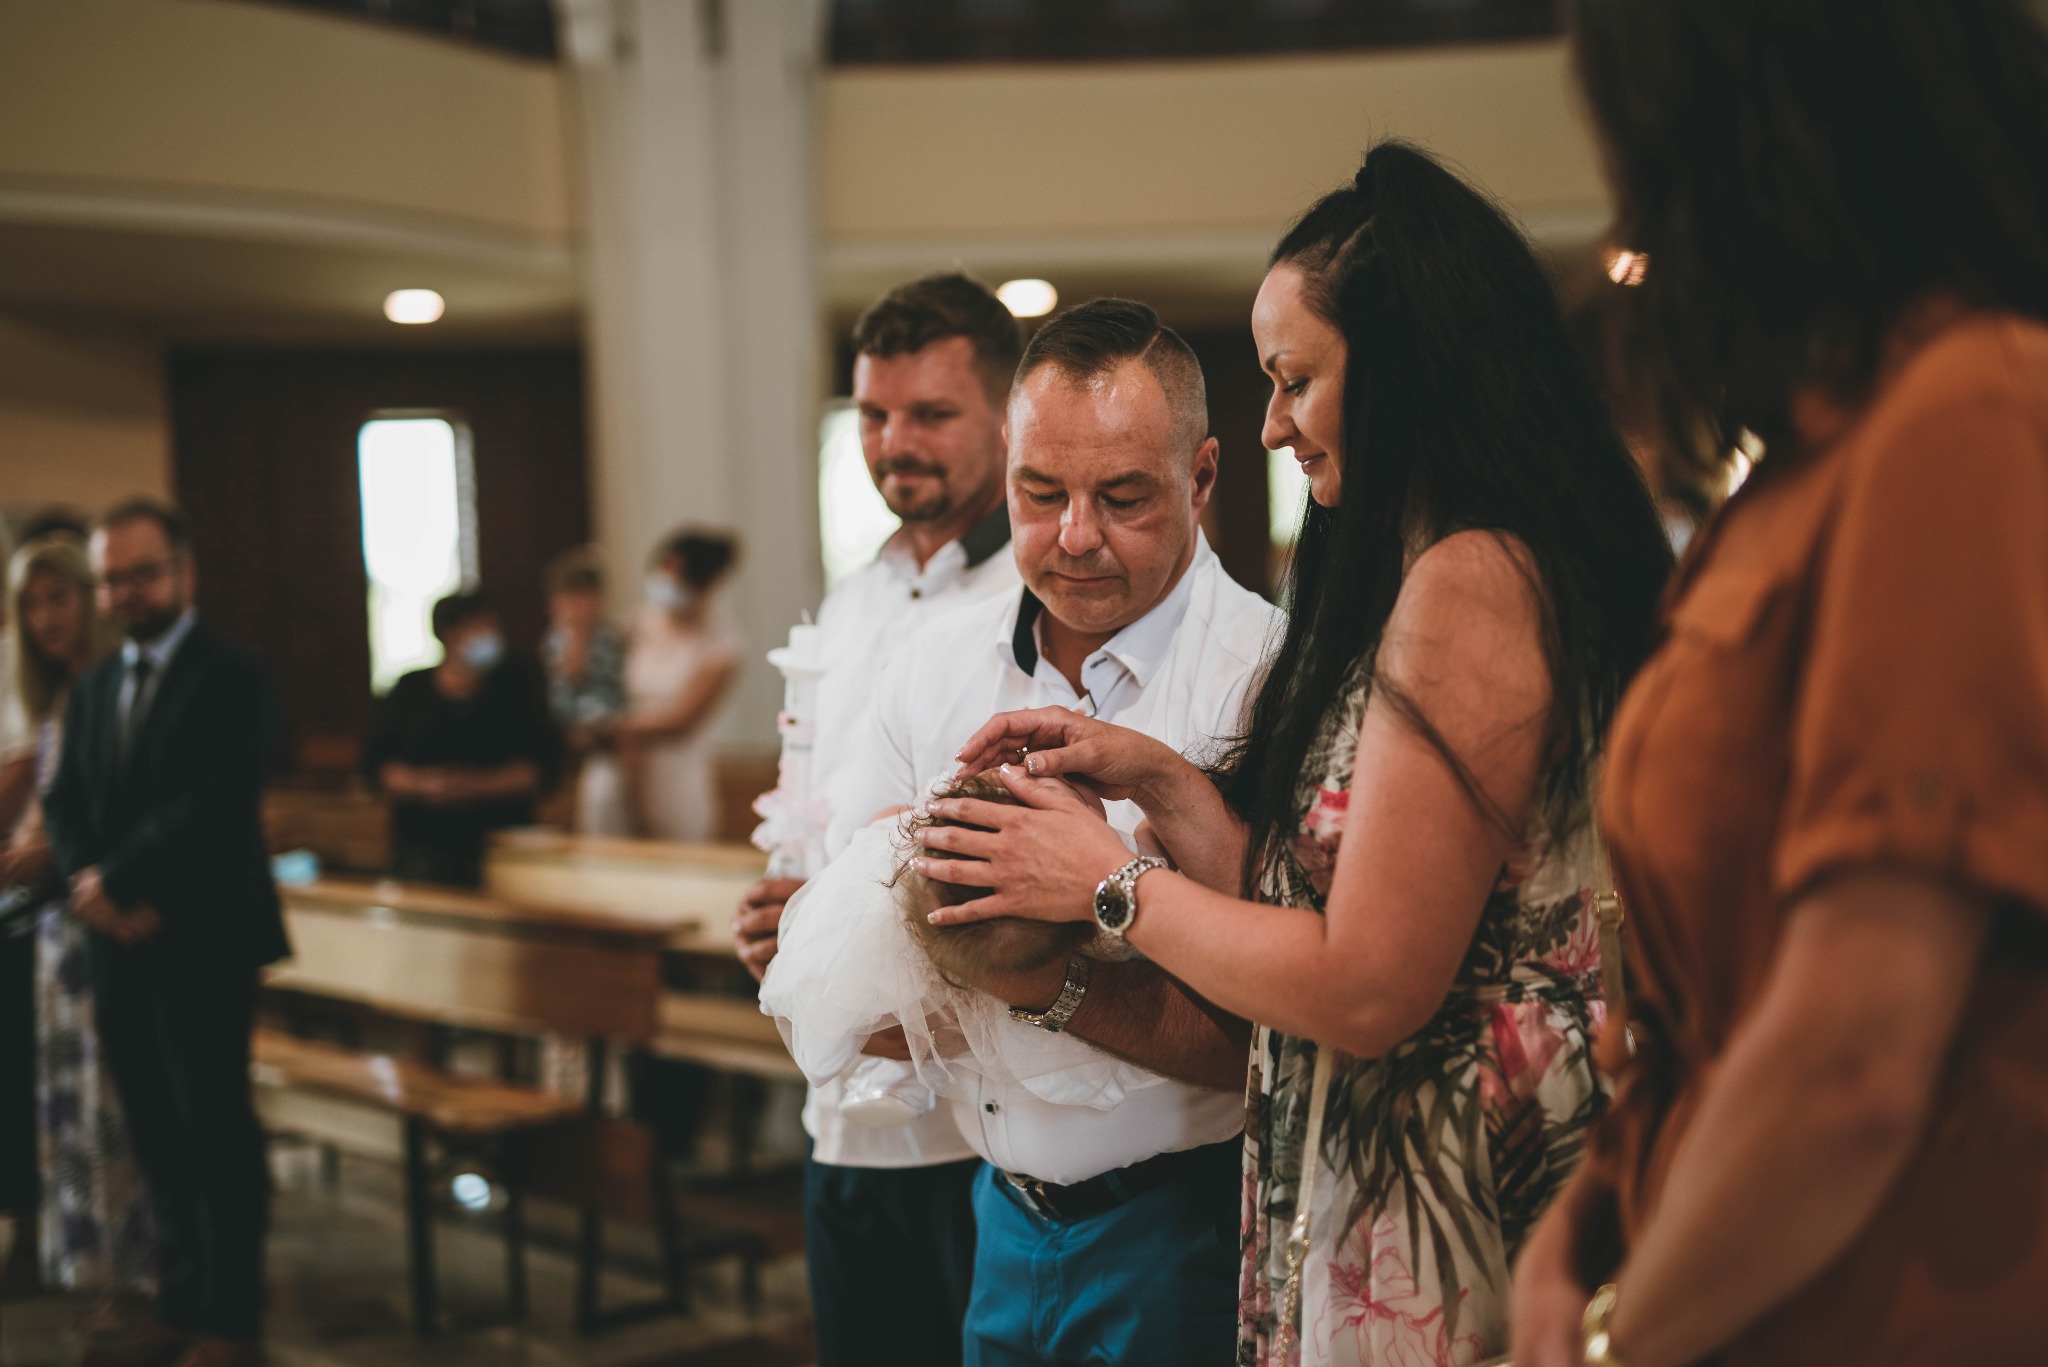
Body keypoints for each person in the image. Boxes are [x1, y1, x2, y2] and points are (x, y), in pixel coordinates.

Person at [931, 145, 1672, 1365]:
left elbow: (1368, 983)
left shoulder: (1473, 580)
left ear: (1403, 372)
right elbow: (1328, 895)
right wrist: (1159, 777)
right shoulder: (1425, 572)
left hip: (1451, 1188)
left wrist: (1104, 885)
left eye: (1295, 379)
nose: (1272, 422)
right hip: (1375, 1164)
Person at [1509, 4, 2048, 1365]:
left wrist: (1618, 1342)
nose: (1638, 210)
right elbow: (1723, 990)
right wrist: (1590, 1214)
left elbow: (1851, 1058)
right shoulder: (1813, 458)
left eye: (1648, 158)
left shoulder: (1967, 409)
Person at [824, 297, 1284, 1366]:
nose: (1074, 537)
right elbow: (864, 988)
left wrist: (1057, 932)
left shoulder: (1271, 677)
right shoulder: (931, 664)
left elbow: (1278, 1033)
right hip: (995, 1206)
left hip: (1188, 1220)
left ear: (1201, 477)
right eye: (1040, 494)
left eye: (1123, 497)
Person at [734, 272, 1023, 1367]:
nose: (894, 441)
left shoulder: (1025, 603)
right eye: (873, 414)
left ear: (1004, 419)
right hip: (839, 1114)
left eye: (931, 414)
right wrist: (783, 915)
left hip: (972, 1128)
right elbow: (818, 811)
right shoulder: (852, 599)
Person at [42, 498, 292, 1367]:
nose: (125, 592)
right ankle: (180, 1299)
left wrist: (119, 878)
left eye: (141, 574)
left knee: (213, 1130)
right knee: (153, 1128)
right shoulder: (100, 683)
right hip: (117, 939)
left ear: (185, 574)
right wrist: (89, 883)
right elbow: (68, 798)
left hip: (206, 937)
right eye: (112, 578)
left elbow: (214, 803)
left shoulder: (233, 674)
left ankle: (231, 1318)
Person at [0, 536, 151, 1327]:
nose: (46, 617)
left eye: (60, 598)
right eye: (32, 602)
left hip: (99, 917)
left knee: (107, 1106)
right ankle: (88, 1269)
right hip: (56, 934)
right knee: (68, 1105)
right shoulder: (58, 699)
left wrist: (48, 851)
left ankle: (127, 1288)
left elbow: (124, 806)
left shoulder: (113, 685)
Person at [361, 590, 564, 887]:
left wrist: (476, 786)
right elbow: (377, 766)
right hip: (423, 848)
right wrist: (424, 785)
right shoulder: (410, 690)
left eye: (491, 627)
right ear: (448, 634)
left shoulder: (517, 685)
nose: (489, 636)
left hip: (502, 843)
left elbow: (543, 766)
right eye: (477, 628)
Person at [608, 529, 740, 841]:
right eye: (663, 569)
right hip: (618, 766)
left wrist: (616, 726)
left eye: (678, 576)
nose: (666, 581)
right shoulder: (633, 625)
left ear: (704, 584)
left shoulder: (721, 643)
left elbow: (683, 720)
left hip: (675, 775)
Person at [541, 546, 630, 836]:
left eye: (583, 595)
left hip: (606, 734)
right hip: (566, 734)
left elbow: (588, 676)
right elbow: (565, 678)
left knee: (603, 807)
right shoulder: (556, 639)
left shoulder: (608, 636)